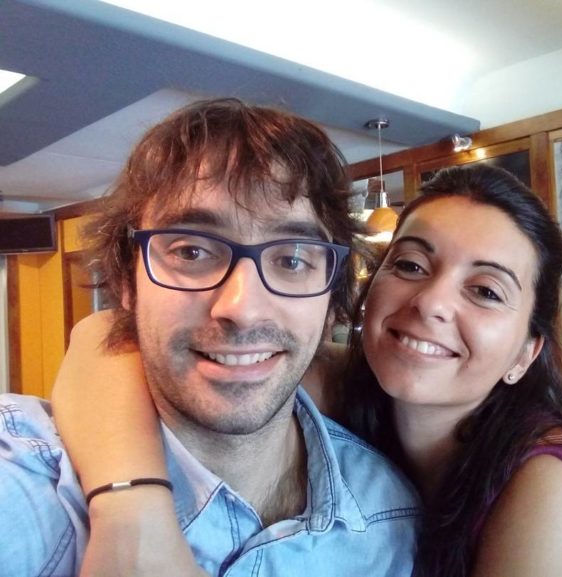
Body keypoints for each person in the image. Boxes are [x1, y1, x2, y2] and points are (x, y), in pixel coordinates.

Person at [54, 164, 562, 576]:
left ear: (525, 353)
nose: (431, 302)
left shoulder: (549, 482)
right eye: (411, 264)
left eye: (485, 290)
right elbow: (110, 339)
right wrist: (133, 517)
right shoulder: (337, 382)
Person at [0, 98, 421, 577]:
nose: (242, 309)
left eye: (292, 259)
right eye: (191, 251)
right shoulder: (26, 482)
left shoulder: (390, 525)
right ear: (127, 283)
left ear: (331, 305)